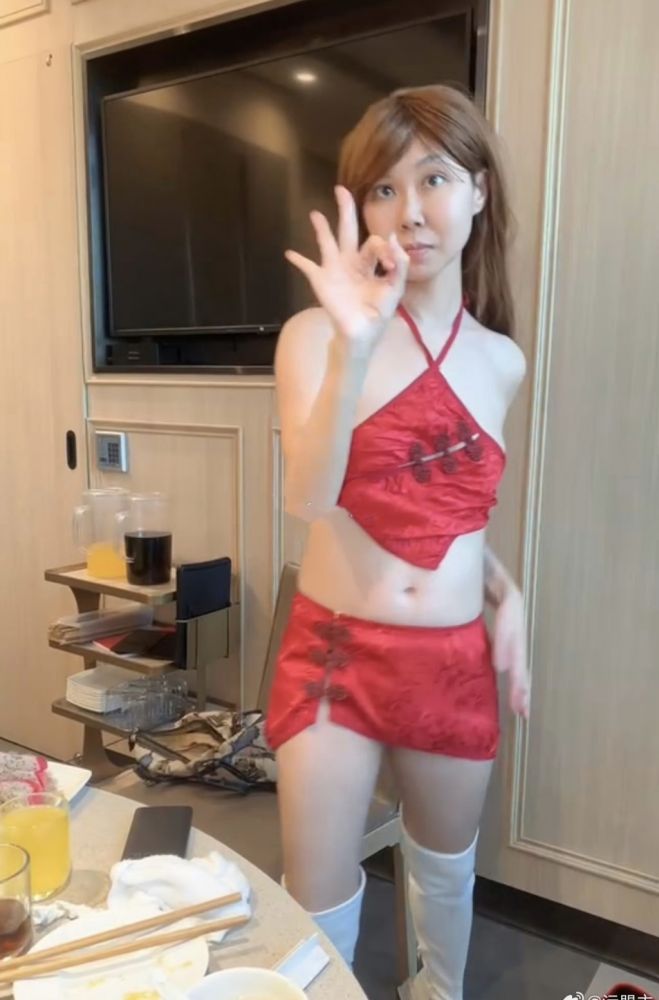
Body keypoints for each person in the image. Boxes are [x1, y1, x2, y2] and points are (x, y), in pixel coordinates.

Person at [265, 84, 530, 1000]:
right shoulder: (314, 334)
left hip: (451, 661)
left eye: (434, 179)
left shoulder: (500, 360)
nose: (409, 211)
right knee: (315, 903)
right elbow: (309, 498)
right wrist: (353, 347)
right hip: (333, 656)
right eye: (382, 188)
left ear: (479, 191)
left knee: (445, 877)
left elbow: (451, 517)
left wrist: (506, 593)